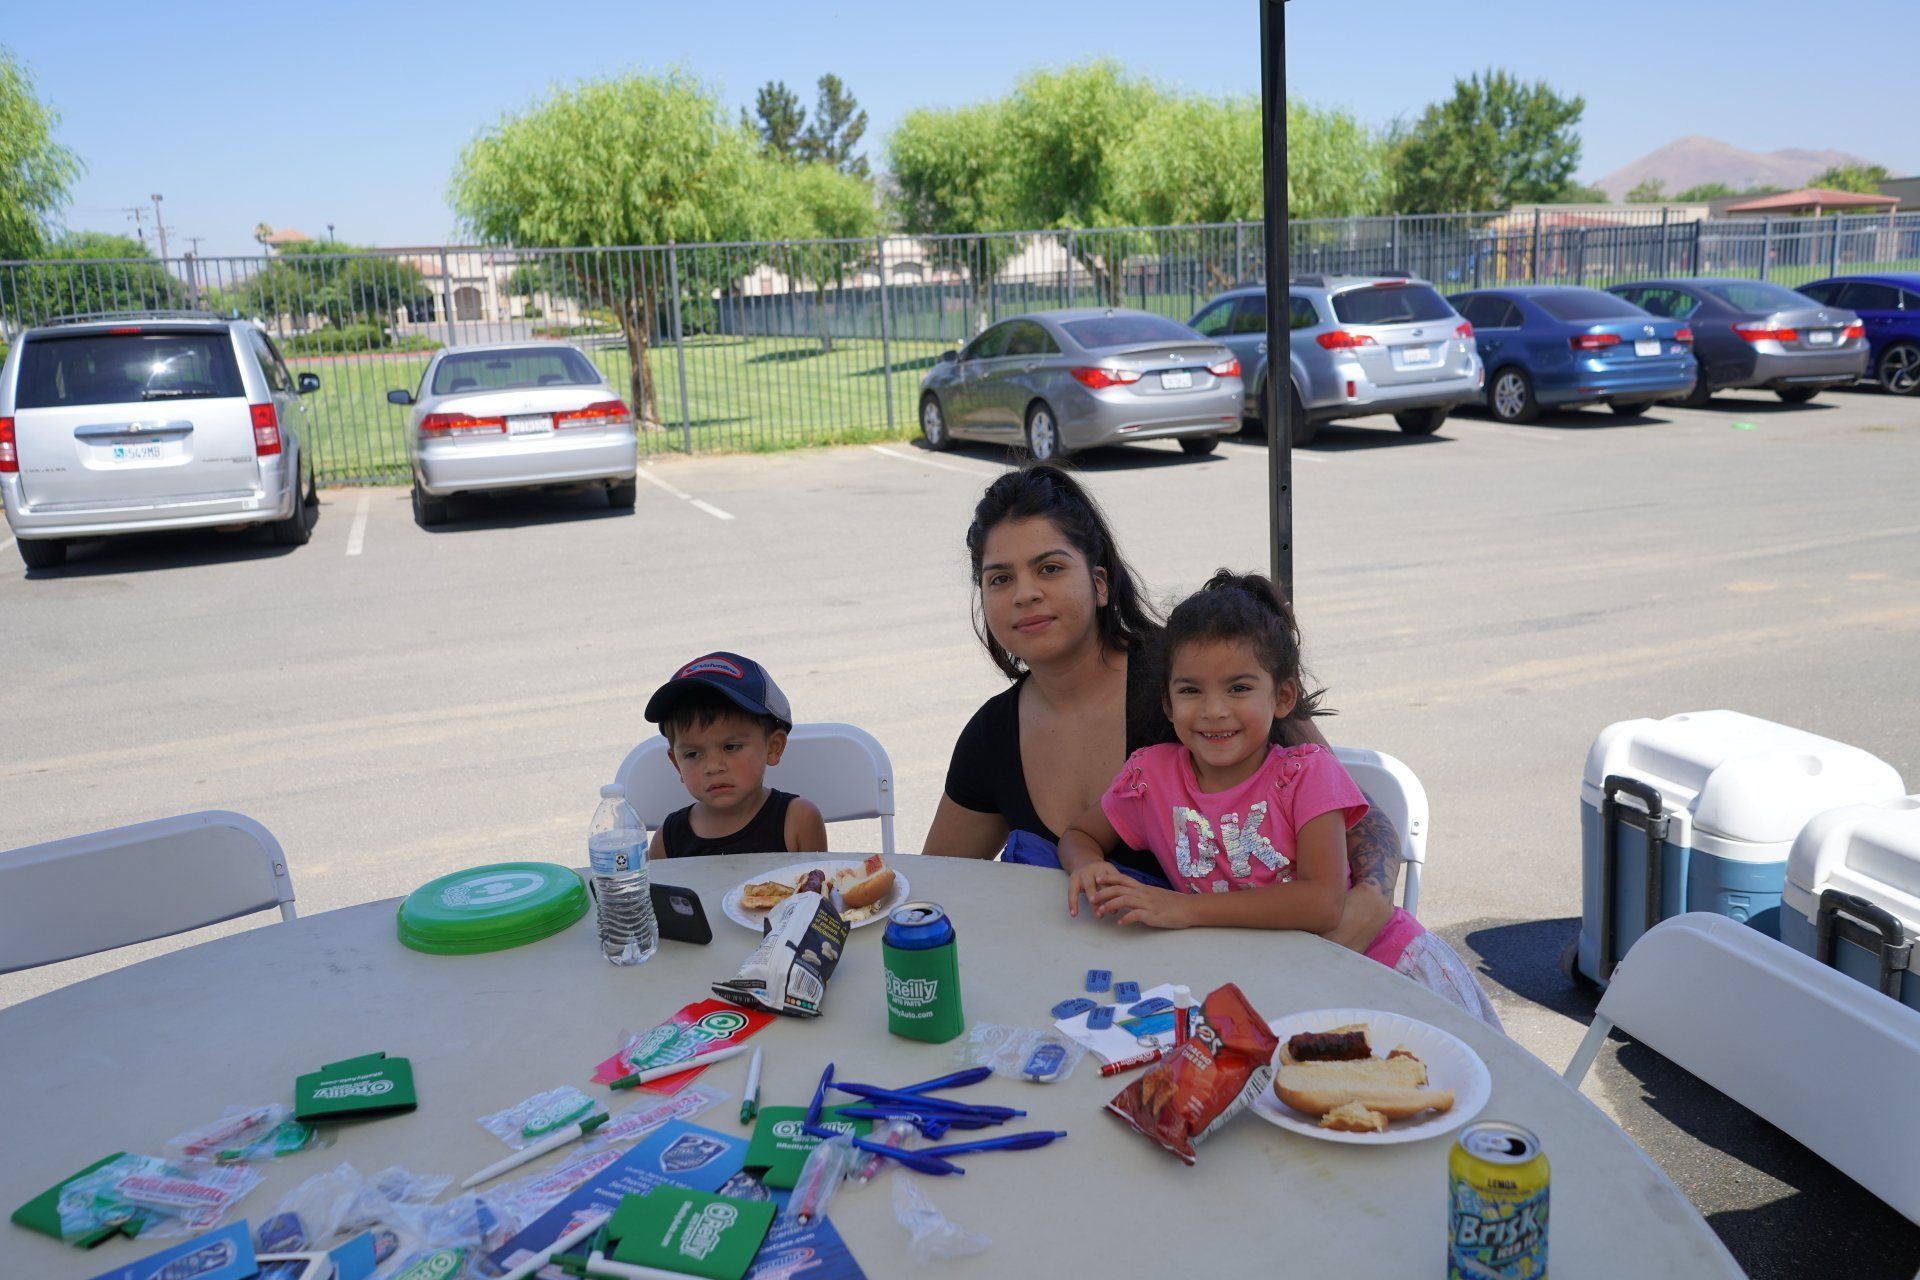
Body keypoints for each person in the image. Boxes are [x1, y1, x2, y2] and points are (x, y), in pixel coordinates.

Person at [923, 464, 1402, 951]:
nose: (1025, 593)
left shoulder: (1198, 676)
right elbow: (932, 889)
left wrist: (1371, 904)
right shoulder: (992, 735)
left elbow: (1361, 819)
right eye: (1000, 579)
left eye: (1050, 568)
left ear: (1101, 583)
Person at [1058, 572, 1503, 1028]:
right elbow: (1080, 834)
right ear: (1169, 705)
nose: (1214, 710)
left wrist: (1184, 908)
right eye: (1191, 690)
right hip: (1272, 988)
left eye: (1239, 688)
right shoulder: (1149, 777)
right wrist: (1088, 864)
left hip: (1385, 970)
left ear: (1283, 696)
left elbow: (1322, 901)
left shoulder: (1307, 775)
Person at [642, 651, 828, 859]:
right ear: (677, 764)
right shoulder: (667, 841)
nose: (713, 766)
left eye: (731, 747)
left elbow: (817, 888)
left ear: (773, 747)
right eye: (693, 754)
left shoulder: (798, 821)